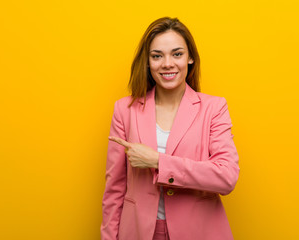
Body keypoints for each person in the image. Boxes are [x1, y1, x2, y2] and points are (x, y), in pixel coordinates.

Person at [100, 17, 240, 240]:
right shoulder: (125, 110)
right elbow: (114, 190)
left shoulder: (214, 108)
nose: (167, 63)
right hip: (138, 231)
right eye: (157, 56)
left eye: (177, 54)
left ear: (190, 57)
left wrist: (158, 162)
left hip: (199, 232)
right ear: (147, 61)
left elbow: (227, 176)